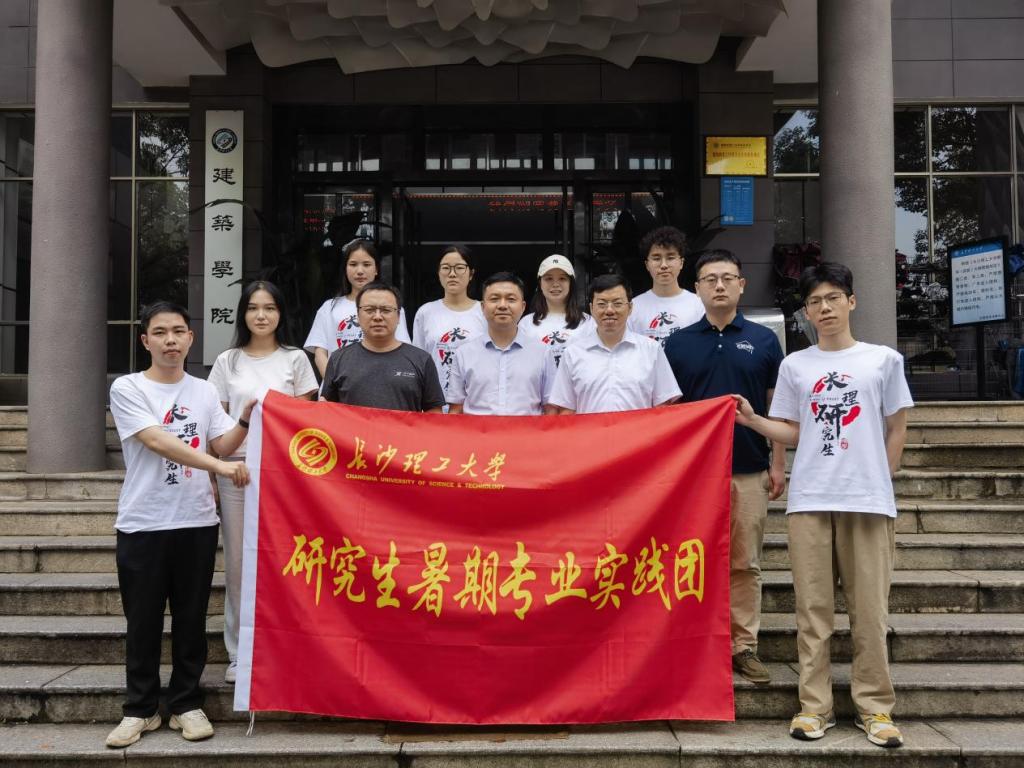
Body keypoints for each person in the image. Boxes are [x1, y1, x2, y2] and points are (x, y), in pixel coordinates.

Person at [732, 262, 913, 749]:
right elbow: (792, 430)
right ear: (807, 313)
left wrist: (881, 479)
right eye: (815, 302)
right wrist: (753, 421)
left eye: (833, 298)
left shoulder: (883, 360)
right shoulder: (796, 365)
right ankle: (815, 706)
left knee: (869, 611)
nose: (825, 308)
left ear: (851, 301)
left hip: (867, 502)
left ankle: (875, 708)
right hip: (810, 499)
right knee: (813, 611)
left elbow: (896, 428)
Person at [106, 302, 254, 748]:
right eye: (160, 332)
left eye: (178, 332)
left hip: (196, 521)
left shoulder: (203, 391)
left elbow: (222, 443)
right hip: (144, 522)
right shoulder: (128, 388)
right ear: (145, 340)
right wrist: (219, 467)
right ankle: (141, 709)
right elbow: (157, 440)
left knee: (191, 619)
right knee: (143, 621)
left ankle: (186, 703)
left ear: (191, 338)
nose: (170, 340)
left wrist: (246, 417)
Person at [664, 249, 786, 686]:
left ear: (741, 285)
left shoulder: (764, 340)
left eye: (727, 278)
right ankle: (692, 641)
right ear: (696, 287)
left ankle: (743, 645)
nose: (719, 285)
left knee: (744, 562)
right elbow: (669, 410)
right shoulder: (677, 344)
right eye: (710, 279)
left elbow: (777, 407)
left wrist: (777, 463)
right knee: (688, 560)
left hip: (748, 468)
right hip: (692, 475)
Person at [207, 280, 318, 685]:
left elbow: (307, 423)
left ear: (281, 314)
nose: (261, 315)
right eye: (253, 308)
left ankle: (286, 645)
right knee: (239, 563)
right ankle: (240, 652)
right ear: (243, 314)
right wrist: (212, 473)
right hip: (237, 470)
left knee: (287, 559)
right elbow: (213, 426)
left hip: (284, 474)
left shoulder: (296, 359)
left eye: (269, 308)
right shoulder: (228, 361)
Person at [546, 273, 680, 414]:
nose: (609, 310)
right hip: (590, 429)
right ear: (591, 308)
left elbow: (664, 405)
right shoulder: (572, 354)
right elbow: (566, 410)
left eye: (617, 303)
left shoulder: (651, 350)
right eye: (602, 304)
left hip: (639, 429)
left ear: (630, 307)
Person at [322, 281, 445, 412]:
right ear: (357, 315)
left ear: (398, 316)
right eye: (369, 310)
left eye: (386, 310)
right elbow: (328, 412)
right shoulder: (338, 359)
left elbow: (434, 413)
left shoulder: (422, 360)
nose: (377, 317)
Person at [304, 239, 411, 377]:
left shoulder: (392, 306)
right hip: (337, 386)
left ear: (376, 269)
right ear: (345, 269)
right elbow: (320, 353)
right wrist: (333, 384)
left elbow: (401, 350)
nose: (360, 271)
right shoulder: (329, 307)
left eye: (367, 264)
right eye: (353, 264)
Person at [448, 272, 550, 415]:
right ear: (483, 307)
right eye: (494, 299)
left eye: (511, 299)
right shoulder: (464, 353)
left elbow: (550, 409)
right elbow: (455, 410)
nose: (502, 305)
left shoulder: (542, 353)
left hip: (527, 430)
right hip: (477, 430)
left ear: (523, 307)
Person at [412, 245, 487, 400]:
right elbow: (417, 361)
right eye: (446, 268)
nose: (452, 274)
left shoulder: (484, 311)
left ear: (471, 274)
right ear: (439, 273)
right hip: (435, 401)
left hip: (476, 402)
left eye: (459, 268)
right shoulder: (426, 312)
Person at [627, 226, 704, 347]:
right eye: (656, 258)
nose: (664, 265)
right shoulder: (633, 307)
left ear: (681, 263)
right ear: (647, 265)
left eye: (670, 258)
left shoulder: (699, 305)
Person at [518, 254, 594, 367]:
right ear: (540, 283)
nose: (555, 284)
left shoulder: (587, 322)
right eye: (549, 279)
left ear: (571, 283)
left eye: (562, 278)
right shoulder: (526, 323)